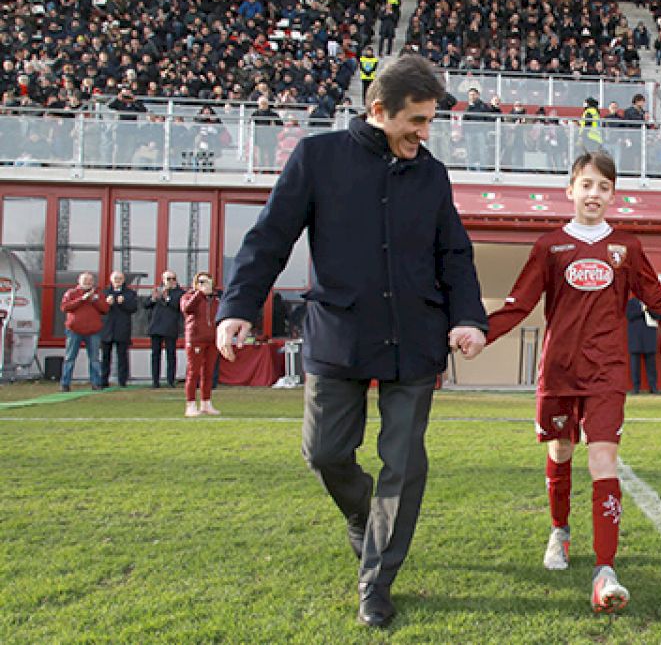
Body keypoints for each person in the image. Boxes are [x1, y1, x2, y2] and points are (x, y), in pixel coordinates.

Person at [215, 55, 488, 629]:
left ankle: (377, 581)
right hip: (338, 336)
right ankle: (366, 518)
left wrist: (468, 317)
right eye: (415, 120)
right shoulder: (317, 159)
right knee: (325, 454)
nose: (424, 133)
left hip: (415, 339)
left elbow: (454, 254)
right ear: (377, 110)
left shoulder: (432, 173)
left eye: (430, 121)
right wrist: (239, 306)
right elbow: (269, 238)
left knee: (404, 462)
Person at [484, 152, 661, 613]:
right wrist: (479, 333)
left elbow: (659, 297)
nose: (594, 194)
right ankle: (560, 532)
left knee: (604, 457)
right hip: (560, 370)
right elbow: (520, 303)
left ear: (612, 194)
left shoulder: (627, 247)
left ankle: (606, 570)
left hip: (607, 372)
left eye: (603, 187)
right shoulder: (549, 247)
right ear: (570, 190)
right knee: (560, 451)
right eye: (586, 185)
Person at [59, 272, 109, 391]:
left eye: (90, 280)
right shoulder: (71, 293)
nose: (88, 283)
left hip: (93, 331)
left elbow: (105, 309)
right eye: (85, 280)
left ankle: (96, 383)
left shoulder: (98, 294)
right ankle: (65, 383)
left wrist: (94, 300)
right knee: (70, 357)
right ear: (79, 281)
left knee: (95, 359)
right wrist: (81, 299)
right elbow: (64, 307)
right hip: (74, 330)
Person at [182, 272, 221, 417]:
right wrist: (199, 294)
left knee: (209, 373)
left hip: (212, 340)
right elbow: (187, 309)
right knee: (193, 373)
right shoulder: (188, 297)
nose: (206, 285)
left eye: (208, 282)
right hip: (196, 339)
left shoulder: (216, 300)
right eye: (202, 282)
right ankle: (190, 404)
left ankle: (206, 402)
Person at [145, 270, 184, 387]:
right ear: (163, 280)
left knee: (171, 354)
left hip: (170, 327)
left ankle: (170, 380)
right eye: (168, 279)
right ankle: (155, 381)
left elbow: (179, 306)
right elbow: (145, 305)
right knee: (155, 355)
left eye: (173, 279)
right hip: (155, 327)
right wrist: (153, 298)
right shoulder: (157, 290)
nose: (171, 281)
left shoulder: (180, 293)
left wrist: (167, 299)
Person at [99, 271, 138, 388]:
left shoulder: (130, 293)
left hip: (122, 329)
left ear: (123, 280)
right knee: (105, 357)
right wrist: (106, 304)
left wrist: (123, 303)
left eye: (120, 278)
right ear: (111, 280)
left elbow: (134, 308)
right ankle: (103, 381)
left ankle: (122, 381)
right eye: (115, 278)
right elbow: (100, 309)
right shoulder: (104, 293)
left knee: (122, 356)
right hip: (107, 330)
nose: (117, 280)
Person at [626, 297, 661, 393]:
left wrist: (648, 308)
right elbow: (629, 315)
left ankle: (653, 387)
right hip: (635, 336)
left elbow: (657, 315)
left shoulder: (651, 301)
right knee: (635, 364)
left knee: (651, 364)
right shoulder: (632, 302)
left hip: (649, 335)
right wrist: (641, 309)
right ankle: (636, 387)